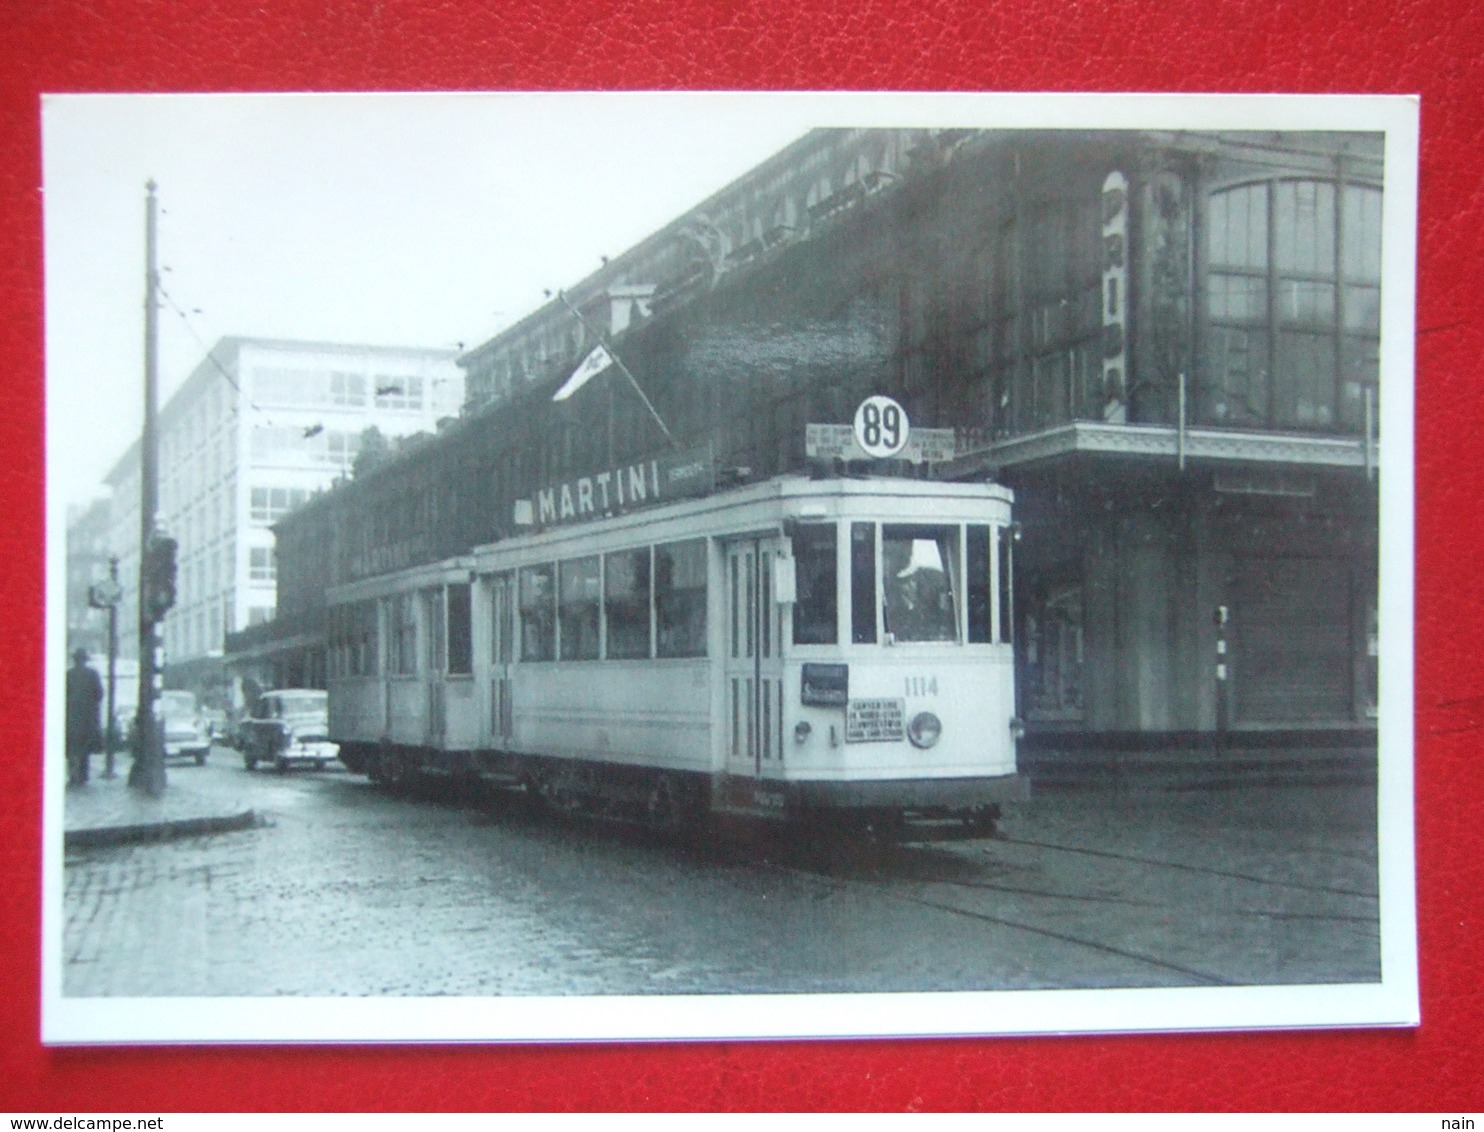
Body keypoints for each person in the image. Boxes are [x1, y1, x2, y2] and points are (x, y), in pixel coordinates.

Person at [65, 648, 103, 787]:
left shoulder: (68, 675)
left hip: (71, 718)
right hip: (88, 718)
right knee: (84, 749)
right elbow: (99, 694)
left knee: (72, 748)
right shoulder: (93, 674)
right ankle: (83, 775)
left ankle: (73, 775)